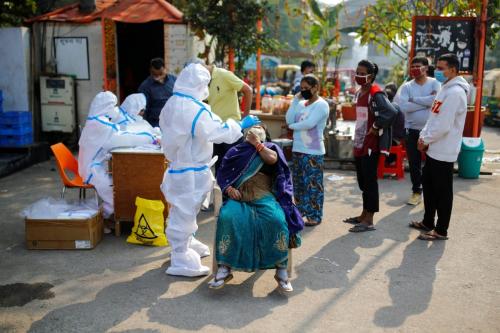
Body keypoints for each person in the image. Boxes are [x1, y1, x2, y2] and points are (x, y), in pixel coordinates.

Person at [159, 63, 261, 277]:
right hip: (190, 169)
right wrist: (240, 125)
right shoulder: (193, 108)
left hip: (183, 165)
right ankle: (180, 254)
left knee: (187, 208)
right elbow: (217, 131)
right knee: (184, 210)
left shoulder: (173, 102)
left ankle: (187, 241)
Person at [209, 124, 304, 291]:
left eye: (260, 126)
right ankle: (225, 267)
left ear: (264, 135)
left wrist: (257, 144)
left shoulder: (271, 148)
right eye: (253, 126)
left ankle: (281, 269)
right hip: (239, 194)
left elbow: (272, 160)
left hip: (263, 194)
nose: (256, 127)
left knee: (276, 220)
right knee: (229, 217)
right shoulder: (235, 151)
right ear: (245, 133)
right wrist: (229, 189)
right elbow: (222, 174)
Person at [410, 53, 470, 241]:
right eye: (437, 67)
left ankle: (441, 230)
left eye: (442, 68)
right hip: (433, 147)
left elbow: (444, 125)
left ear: (453, 70)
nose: (438, 71)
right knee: (428, 186)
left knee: (443, 192)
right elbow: (433, 117)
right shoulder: (445, 89)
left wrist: (425, 140)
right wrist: (423, 137)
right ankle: (428, 221)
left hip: (444, 149)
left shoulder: (455, 92)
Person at [79, 92, 160, 228]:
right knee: (116, 192)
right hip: (92, 169)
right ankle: (103, 220)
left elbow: (121, 132)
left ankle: (111, 217)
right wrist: (150, 137)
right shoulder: (99, 124)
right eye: (113, 105)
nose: (115, 109)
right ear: (105, 106)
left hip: (96, 164)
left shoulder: (97, 120)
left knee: (120, 185)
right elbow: (122, 137)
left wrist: (149, 134)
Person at [343, 60, 398, 232]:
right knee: (362, 181)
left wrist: (375, 127)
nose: (358, 76)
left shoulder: (376, 93)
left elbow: (391, 112)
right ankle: (363, 214)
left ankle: (369, 220)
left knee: (369, 181)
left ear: (371, 76)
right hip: (360, 141)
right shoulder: (361, 91)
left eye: (361, 73)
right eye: (356, 72)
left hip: (370, 144)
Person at [395, 57, 441, 205]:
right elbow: (404, 107)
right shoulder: (407, 86)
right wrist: (426, 103)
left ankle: (432, 192)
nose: (414, 68)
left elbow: (436, 102)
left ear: (426, 68)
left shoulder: (435, 83)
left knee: (432, 163)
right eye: (412, 66)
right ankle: (416, 191)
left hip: (430, 131)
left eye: (418, 66)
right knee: (414, 164)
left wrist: (414, 100)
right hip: (411, 130)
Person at [285, 74, 329, 227]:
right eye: (301, 88)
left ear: (316, 88)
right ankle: (300, 212)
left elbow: (309, 124)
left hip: (313, 152)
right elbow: (289, 119)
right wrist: (295, 99)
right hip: (298, 149)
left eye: (306, 88)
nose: (303, 91)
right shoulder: (301, 103)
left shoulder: (321, 105)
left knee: (313, 185)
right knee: (299, 184)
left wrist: (291, 127)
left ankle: (314, 215)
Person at [205, 63, 254, 174]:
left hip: (233, 129)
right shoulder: (203, 81)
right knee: (219, 168)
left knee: (234, 168)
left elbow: (248, 90)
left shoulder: (224, 75)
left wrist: (245, 118)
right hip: (216, 130)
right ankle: (223, 191)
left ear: (204, 66)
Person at [138, 58, 176, 127]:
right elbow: (142, 109)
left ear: (165, 69)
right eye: (154, 74)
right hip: (155, 124)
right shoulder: (145, 86)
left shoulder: (174, 81)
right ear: (150, 71)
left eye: (160, 74)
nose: (157, 77)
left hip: (173, 122)